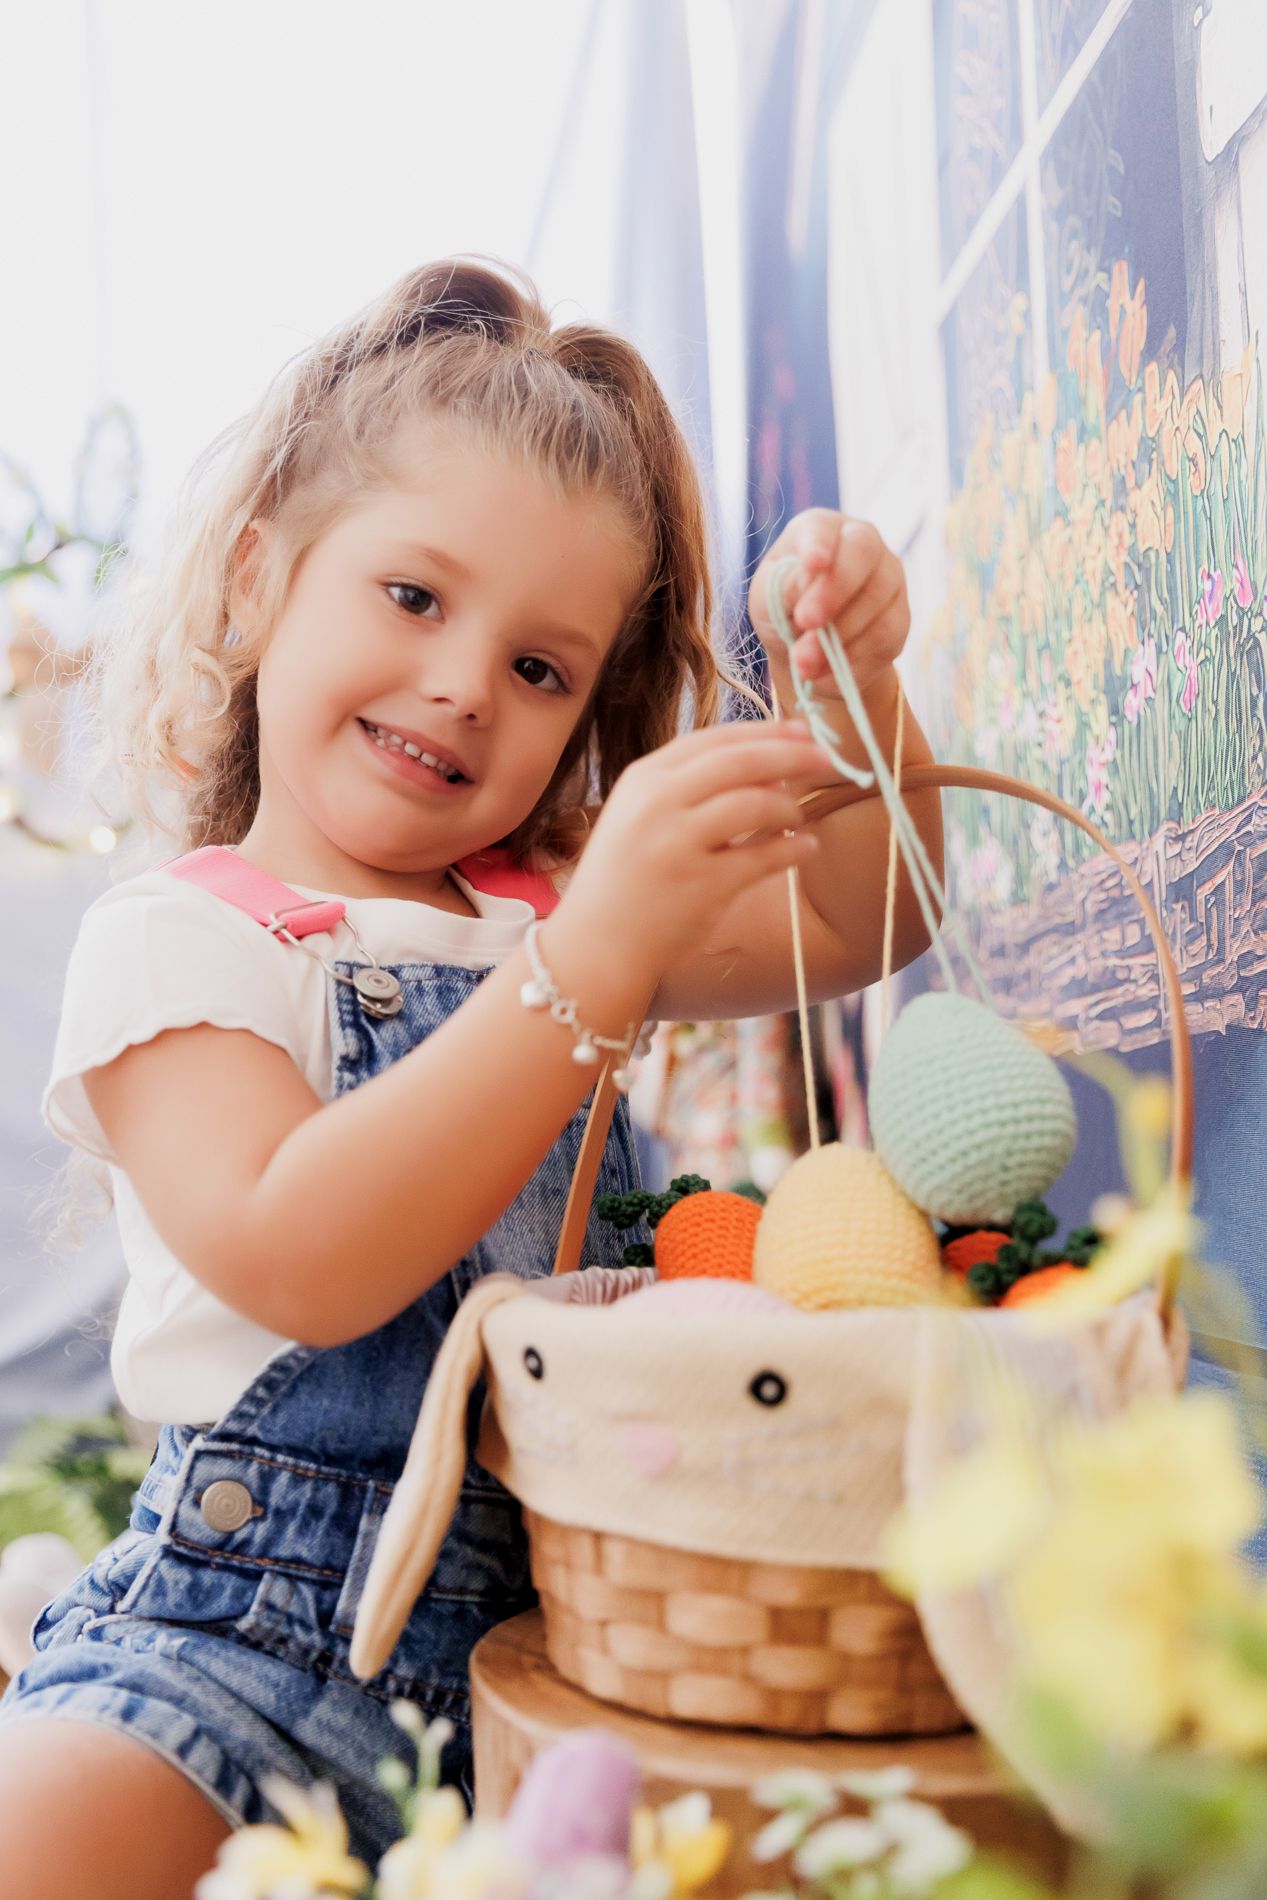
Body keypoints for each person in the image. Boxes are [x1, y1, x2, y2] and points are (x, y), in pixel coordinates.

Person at [0, 256, 940, 1898]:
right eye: (415, 598)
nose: (462, 682)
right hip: (235, 1646)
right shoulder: (183, 939)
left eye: (541, 670)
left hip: (570, 1646)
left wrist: (857, 690)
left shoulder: (552, 905)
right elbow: (308, 1250)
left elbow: (873, 912)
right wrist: (590, 968)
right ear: (252, 586)